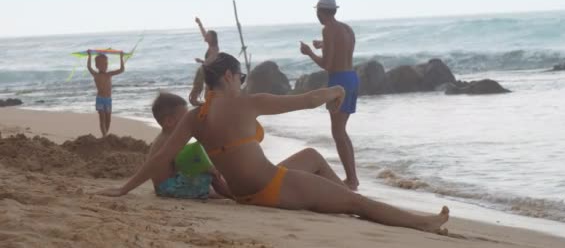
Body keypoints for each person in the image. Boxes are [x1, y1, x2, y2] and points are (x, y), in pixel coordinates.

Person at [98, 53, 449, 234]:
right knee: (358, 202)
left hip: (243, 192)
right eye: (241, 76)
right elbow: (308, 99)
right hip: (271, 187)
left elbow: (161, 158)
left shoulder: (195, 116)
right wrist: (337, 90)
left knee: (312, 156)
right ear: (229, 77)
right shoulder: (247, 102)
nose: (243, 81)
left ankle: (337, 193)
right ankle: (420, 223)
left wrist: (124, 189)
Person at [300, 0, 360, 190]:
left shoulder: (328, 30)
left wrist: (310, 52)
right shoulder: (346, 29)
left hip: (339, 81)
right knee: (342, 131)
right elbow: (342, 50)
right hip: (352, 77)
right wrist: (324, 45)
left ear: (321, 11)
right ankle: (353, 178)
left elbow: (327, 65)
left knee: (338, 132)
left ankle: (351, 180)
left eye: (317, 10)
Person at [148, 92, 231, 199]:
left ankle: (215, 191)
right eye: (185, 118)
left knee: (205, 169)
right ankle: (229, 194)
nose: (188, 122)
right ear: (169, 121)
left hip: (162, 187)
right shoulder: (170, 141)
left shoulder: (163, 138)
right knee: (212, 175)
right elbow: (184, 164)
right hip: (169, 188)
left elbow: (178, 165)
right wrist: (209, 169)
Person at [87, 51, 125, 137]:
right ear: (97, 65)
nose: (105, 65)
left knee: (108, 120)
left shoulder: (109, 74)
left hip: (108, 100)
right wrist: (89, 56)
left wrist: (121, 57)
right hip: (100, 99)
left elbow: (122, 70)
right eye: (102, 64)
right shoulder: (95, 74)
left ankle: (105, 135)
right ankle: (105, 136)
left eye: (106, 63)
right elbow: (89, 67)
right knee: (102, 119)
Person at [190, 17, 220, 106]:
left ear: (212, 38)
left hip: (209, 71)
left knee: (207, 94)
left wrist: (201, 61)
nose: (206, 36)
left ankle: (206, 107)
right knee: (201, 93)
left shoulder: (215, 48)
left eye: (208, 36)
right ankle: (203, 106)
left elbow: (210, 62)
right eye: (206, 35)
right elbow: (203, 33)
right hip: (205, 70)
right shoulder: (211, 45)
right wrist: (199, 23)